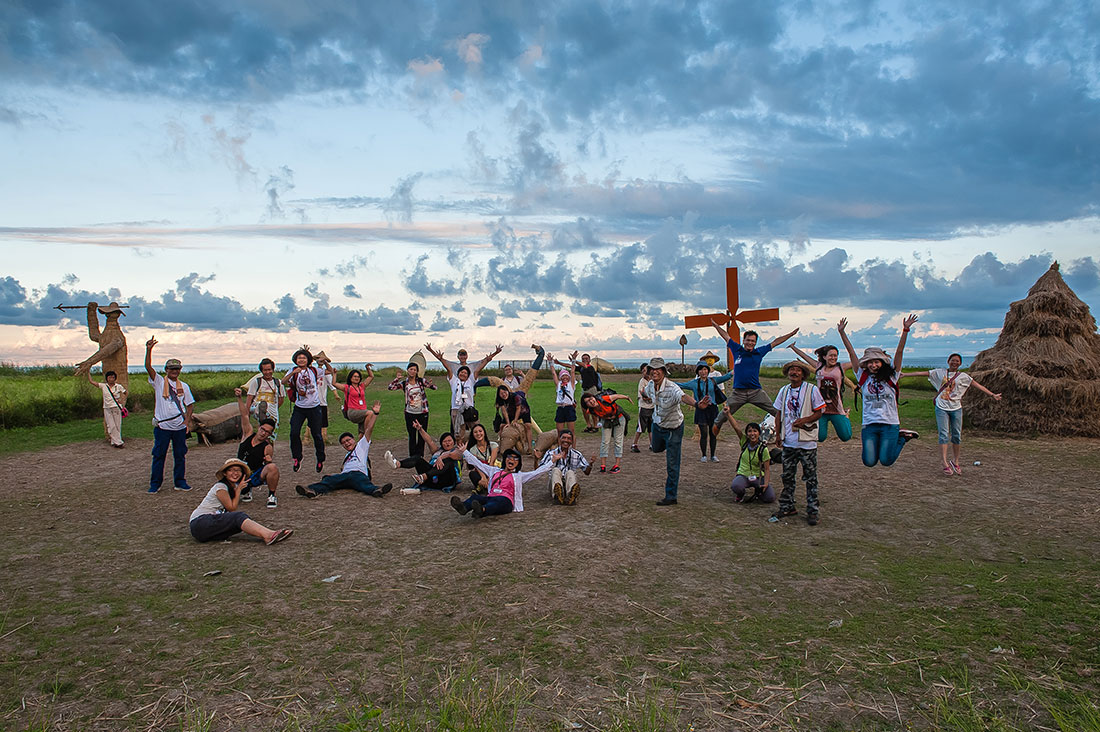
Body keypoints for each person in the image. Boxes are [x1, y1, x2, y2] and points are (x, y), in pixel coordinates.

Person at [839, 315, 921, 468]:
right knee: (869, 462)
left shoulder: (892, 376)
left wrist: (905, 330)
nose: (873, 365)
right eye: (870, 362)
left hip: (889, 424)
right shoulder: (863, 377)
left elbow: (900, 352)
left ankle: (902, 438)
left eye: (876, 362)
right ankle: (897, 439)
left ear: (882, 363)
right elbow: (852, 354)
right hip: (869, 425)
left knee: (886, 461)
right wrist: (842, 333)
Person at [902, 354, 1002, 475]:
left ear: (960, 363)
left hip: (956, 408)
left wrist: (992, 395)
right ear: (948, 361)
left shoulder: (964, 376)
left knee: (957, 436)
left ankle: (956, 461)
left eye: (957, 361)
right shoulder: (939, 372)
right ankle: (944, 462)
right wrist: (905, 374)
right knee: (943, 434)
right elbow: (922, 373)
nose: (954, 363)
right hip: (941, 408)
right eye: (952, 360)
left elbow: (977, 385)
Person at [709, 321, 799, 435]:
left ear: (755, 343)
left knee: (776, 411)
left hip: (756, 391)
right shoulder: (737, 349)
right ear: (744, 341)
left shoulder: (759, 352)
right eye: (748, 340)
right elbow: (726, 336)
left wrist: (791, 334)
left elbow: (775, 342)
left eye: (753, 341)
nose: (750, 343)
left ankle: (788, 430)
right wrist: (716, 325)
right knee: (723, 414)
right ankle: (716, 428)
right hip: (738, 393)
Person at [295, 401, 393, 498]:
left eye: (348, 440)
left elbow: (369, 429)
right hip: (345, 476)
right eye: (344, 443)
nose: (347, 443)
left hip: (357, 473)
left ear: (353, 440)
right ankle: (311, 490)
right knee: (329, 480)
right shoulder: (347, 457)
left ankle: (376, 490)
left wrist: (375, 413)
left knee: (363, 483)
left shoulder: (361, 446)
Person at [769, 361, 826, 525]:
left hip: (807, 442)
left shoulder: (811, 390)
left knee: (810, 478)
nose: (794, 372)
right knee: (787, 476)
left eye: (797, 370)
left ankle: (813, 510)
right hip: (789, 442)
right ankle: (787, 506)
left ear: (803, 374)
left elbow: (820, 411)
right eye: (791, 370)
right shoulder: (784, 390)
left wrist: (804, 420)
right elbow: (778, 413)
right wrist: (778, 433)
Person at [644, 357, 705, 506]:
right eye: (652, 369)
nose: (655, 372)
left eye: (658, 369)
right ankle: (667, 445)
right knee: (656, 448)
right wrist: (644, 395)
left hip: (674, 428)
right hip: (658, 425)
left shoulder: (672, 388)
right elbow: (645, 392)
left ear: (664, 372)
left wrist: (697, 404)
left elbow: (683, 397)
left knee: (672, 463)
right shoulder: (651, 385)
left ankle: (671, 496)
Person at [189, 458, 293, 544]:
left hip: (204, 528)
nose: (235, 473)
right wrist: (238, 490)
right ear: (225, 473)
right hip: (200, 522)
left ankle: (269, 535)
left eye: (238, 470)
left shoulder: (231, 487)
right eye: (231, 470)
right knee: (239, 517)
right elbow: (232, 508)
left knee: (239, 524)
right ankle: (268, 535)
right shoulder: (220, 487)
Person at [144, 337, 195, 493]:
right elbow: (148, 367)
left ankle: (180, 481)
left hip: (179, 426)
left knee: (180, 455)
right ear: (166, 370)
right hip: (163, 426)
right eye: (171, 369)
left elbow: (190, 405)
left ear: (180, 370)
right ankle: (155, 483)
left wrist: (187, 422)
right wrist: (149, 350)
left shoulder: (184, 386)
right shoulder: (159, 382)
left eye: (177, 369)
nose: (174, 372)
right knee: (159, 455)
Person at [449, 447, 560, 518]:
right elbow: (479, 464)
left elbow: (536, 473)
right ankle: (463, 507)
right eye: (509, 457)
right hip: (491, 496)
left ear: (518, 463)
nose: (512, 460)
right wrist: (465, 452)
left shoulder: (518, 476)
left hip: (505, 500)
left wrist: (552, 461)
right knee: (475, 498)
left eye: (515, 459)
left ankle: (482, 510)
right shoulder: (494, 471)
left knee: (499, 503)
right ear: (505, 460)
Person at [425, 342, 503, 440]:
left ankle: (479, 447)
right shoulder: (454, 381)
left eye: (465, 373)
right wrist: (436, 355)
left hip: (469, 408)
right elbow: (447, 367)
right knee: (458, 433)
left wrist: (495, 353)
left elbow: (482, 365)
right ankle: (459, 449)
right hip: (456, 408)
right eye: (461, 372)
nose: (463, 374)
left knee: (476, 429)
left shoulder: (470, 380)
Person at [788, 342, 854, 442]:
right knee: (820, 437)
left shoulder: (841, 367)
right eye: (831, 355)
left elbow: (857, 361)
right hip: (821, 408)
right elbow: (805, 357)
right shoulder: (819, 367)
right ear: (824, 357)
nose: (833, 358)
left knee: (846, 437)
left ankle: (846, 415)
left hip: (836, 408)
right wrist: (793, 347)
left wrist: (881, 356)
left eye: (835, 356)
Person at [677, 360, 734, 462]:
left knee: (713, 433)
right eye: (701, 370)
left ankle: (713, 455)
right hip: (700, 409)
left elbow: (726, 377)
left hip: (713, 409)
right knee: (703, 434)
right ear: (698, 372)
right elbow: (681, 385)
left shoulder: (713, 381)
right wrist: (665, 381)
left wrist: (737, 369)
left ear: (708, 370)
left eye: (705, 369)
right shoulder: (694, 383)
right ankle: (703, 455)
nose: (703, 372)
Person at [282, 347, 327, 473]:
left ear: (308, 360)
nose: (301, 360)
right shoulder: (292, 370)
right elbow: (283, 382)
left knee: (316, 434)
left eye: (304, 357)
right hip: (300, 408)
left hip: (314, 407)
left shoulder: (314, 370)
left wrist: (325, 362)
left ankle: (320, 459)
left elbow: (328, 371)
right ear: (295, 360)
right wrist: (293, 373)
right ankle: (297, 457)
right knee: (294, 432)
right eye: (299, 358)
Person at [234, 387, 280, 508]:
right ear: (259, 428)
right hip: (239, 472)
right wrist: (239, 398)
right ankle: (245, 491)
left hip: (253, 475)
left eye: (267, 432)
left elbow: (268, 463)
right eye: (262, 429)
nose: (263, 433)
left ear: (270, 435)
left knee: (272, 468)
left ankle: (272, 495)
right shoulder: (248, 434)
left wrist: (268, 460)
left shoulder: (267, 446)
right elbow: (244, 415)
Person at [384, 424, 462, 492]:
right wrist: (420, 429)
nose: (447, 443)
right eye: (445, 441)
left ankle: (424, 477)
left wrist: (441, 458)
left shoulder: (458, 451)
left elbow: (452, 455)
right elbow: (429, 441)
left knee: (448, 461)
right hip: (432, 479)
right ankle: (397, 464)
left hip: (447, 480)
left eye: (449, 441)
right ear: (441, 443)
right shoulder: (437, 451)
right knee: (418, 458)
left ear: (454, 442)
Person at [388, 361, 437, 457]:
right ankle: (413, 455)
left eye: (415, 370)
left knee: (422, 433)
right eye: (411, 369)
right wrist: (396, 379)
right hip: (410, 412)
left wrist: (429, 384)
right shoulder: (404, 383)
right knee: (412, 434)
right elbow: (391, 387)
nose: (412, 371)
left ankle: (420, 454)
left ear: (417, 371)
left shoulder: (421, 381)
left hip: (422, 412)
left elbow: (434, 387)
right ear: (407, 370)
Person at [726, 412, 774, 504]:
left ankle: (758, 491)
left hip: (758, 476)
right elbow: (736, 428)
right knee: (736, 486)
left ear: (759, 433)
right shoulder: (744, 442)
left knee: (770, 498)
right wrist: (728, 414)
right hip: (744, 474)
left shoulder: (763, 449)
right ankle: (740, 495)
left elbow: (767, 469)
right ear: (747, 434)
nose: (752, 434)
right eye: (750, 431)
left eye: (755, 431)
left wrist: (766, 483)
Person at [580, 391, 632, 473]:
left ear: (594, 397)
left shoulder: (604, 399)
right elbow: (598, 415)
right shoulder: (590, 410)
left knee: (618, 441)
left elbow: (616, 396)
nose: (591, 402)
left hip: (619, 418)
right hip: (606, 420)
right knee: (605, 441)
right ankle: (603, 465)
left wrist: (627, 397)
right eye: (587, 402)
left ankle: (617, 465)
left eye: (591, 399)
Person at [539, 429, 593, 505]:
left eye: (568, 438)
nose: (566, 440)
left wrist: (590, 464)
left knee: (570, 472)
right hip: (554, 482)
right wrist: (536, 459)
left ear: (571, 441)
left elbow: (586, 472)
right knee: (556, 470)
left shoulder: (576, 454)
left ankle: (571, 495)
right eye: (563, 438)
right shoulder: (551, 453)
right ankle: (557, 495)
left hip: (569, 481)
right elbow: (539, 471)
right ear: (559, 439)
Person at [243, 358, 285, 434]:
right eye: (265, 370)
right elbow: (249, 399)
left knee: (271, 435)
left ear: (273, 369)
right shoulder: (256, 382)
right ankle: (262, 416)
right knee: (261, 406)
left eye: (269, 369)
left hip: (272, 411)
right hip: (256, 408)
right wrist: (247, 414)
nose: (267, 372)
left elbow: (281, 399)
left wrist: (272, 407)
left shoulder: (278, 383)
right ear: (261, 371)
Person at [87, 369, 126, 448]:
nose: (111, 379)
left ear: (115, 378)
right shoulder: (103, 386)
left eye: (113, 377)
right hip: (107, 408)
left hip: (116, 407)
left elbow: (125, 393)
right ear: (107, 378)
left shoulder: (118, 386)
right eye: (109, 377)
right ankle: (118, 442)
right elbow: (92, 382)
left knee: (117, 425)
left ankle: (114, 441)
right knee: (111, 425)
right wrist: (88, 372)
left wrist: (122, 401)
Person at [330, 364, 375, 431]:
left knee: (361, 432)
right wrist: (334, 374)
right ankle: (367, 433)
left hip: (362, 411)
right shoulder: (347, 387)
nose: (357, 378)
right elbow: (334, 383)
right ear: (350, 378)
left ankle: (363, 436)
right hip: (353, 412)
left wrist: (367, 368)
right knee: (370, 413)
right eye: (355, 376)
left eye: (358, 377)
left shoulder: (362, 386)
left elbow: (371, 377)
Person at [495, 383, 535, 454]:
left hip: (523, 410)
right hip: (511, 411)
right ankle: (500, 446)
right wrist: (508, 423)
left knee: (528, 426)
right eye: (501, 393)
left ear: (507, 391)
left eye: (505, 392)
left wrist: (515, 421)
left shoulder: (515, 397)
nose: (504, 394)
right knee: (501, 426)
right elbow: (504, 412)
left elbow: (518, 408)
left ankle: (529, 448)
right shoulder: (500, 400)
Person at [548, 351, 579, 433]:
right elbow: (553, 373)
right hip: (560, 408)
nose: (564, 377)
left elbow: (572, 371)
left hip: (569, 407)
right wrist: (551, 362)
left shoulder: (571, 384)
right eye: (562, 376)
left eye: (566, 376)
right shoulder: (558, 384)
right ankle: (560, 445)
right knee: (559, 431)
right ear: (560, 377)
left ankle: (573, 446)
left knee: (571, 431)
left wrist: (573, 360)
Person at [465, 423, 499, 493]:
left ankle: (484, 487)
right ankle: (485, 485)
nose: (478, 434)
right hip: (481, 472)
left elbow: (492, 463)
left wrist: (489, 478)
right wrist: (483, 478)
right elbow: (477, 465)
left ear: (484, 432)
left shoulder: (493, 445)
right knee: (472, 474)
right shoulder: (473, 449)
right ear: (473, 435)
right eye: (475, 432)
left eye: (480, 431)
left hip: (492, 470)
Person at [631, 363, 653, 453]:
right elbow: (643, 395)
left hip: (652, 407)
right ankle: (634, 444)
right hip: (644, 407)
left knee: (651, 427)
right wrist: (650, 398)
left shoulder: (653, 381)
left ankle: (652, 444)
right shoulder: (642, 382)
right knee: (640, 427)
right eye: (644, 371)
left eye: (647, 370)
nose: (646, 372)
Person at [578, 354, 601, 432]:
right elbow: (571, 366)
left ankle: (595, 425)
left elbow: (584, 366)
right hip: (584, 390)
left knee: (593, 407)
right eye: (583, 358)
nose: (584, 360)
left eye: (586, 358)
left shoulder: (590, 368)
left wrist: (574, 360)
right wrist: (559, 363)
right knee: (584, 408)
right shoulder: (581, 368)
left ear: (589, 360)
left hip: (592, 389)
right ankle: (589, 425)